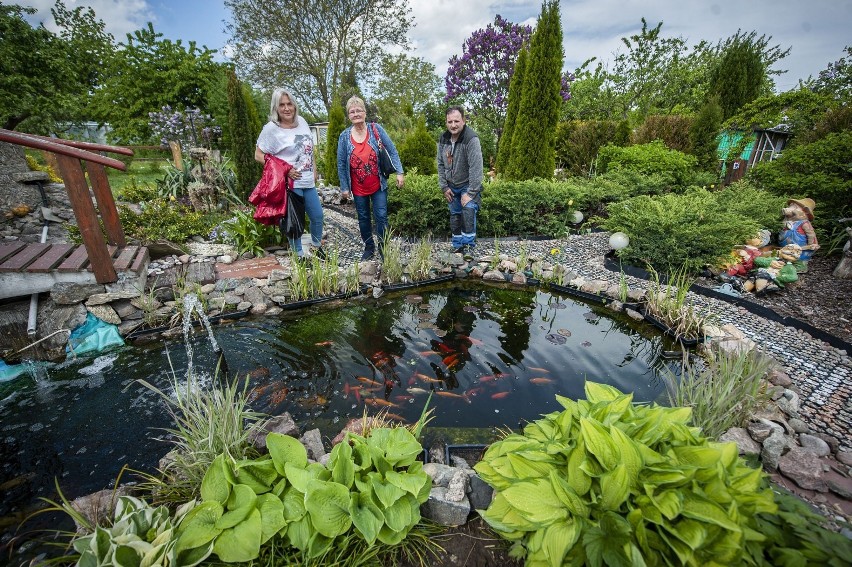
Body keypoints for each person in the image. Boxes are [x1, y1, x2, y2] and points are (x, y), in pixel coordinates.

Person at [255, 88, 325, 261]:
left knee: (317, 216)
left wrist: (314, 168)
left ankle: (316, 248)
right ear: (276, 108)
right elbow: (258, 155)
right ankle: (298, 256)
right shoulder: (271, 129)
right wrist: (284, 169)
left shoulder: (301, 121)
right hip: (290, 184)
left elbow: (309, 148)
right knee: (295, 221)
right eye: (282, 105)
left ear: (294, 105)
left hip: (308, 181)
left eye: (289, 104)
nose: (287, 108)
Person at [337, 96, 404, 260]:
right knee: (363, 218)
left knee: (381, 216)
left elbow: (392, 150)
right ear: (349, 115)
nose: (356, 114)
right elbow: (341, 163)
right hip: (358, 188)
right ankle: (369, 247)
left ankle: (383, 247)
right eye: (352, 112)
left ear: (365, 112)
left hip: (378, 184)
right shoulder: (344, 136)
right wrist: (345, 188)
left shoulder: (376, 129)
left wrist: (400, 172)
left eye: (359, 110)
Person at [437, 106, 483, 256]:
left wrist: (470, 193)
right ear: (446, 122)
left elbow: (476, 168)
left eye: (457, 121)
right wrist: (444, 187)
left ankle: (469, 247)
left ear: (463, 120)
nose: (453, 125)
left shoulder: (471, 139)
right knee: (455, 216)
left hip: (468, 185)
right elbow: (440, 164)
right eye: (450, 121)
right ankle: (457, 247)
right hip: (451, 186)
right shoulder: (443, 139)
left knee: (468, 210)